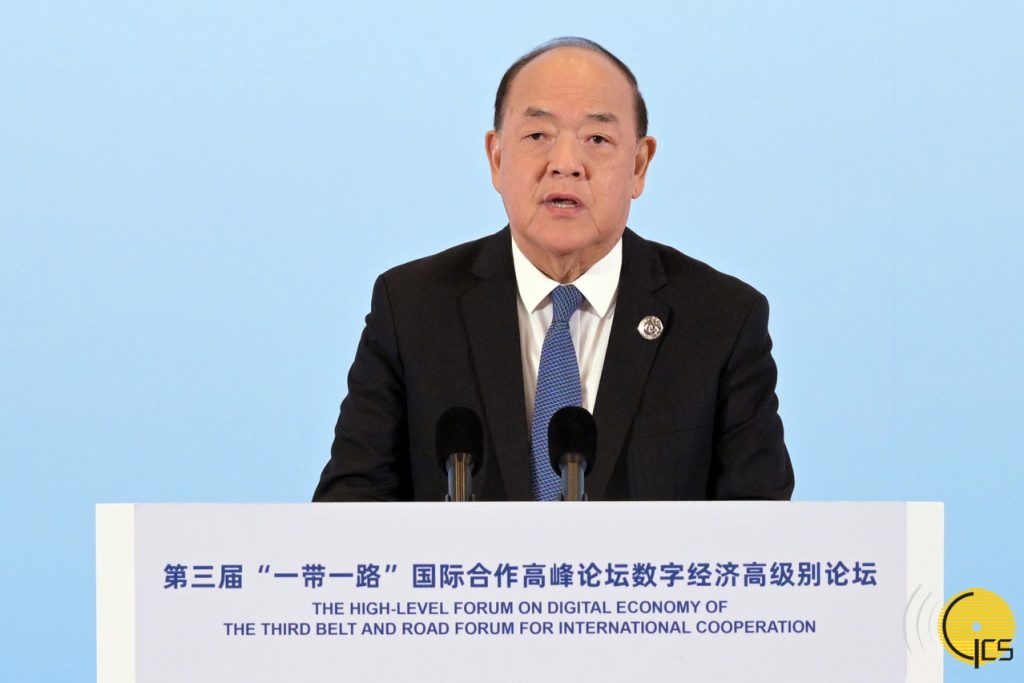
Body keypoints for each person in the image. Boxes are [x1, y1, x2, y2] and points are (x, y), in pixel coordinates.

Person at [313, 37, 794, 502]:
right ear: (496, 157)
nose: (565, 164)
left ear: (639, 165)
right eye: (538, 135)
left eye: (597, 138)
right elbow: (349, 510)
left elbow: (762, 524)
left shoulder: (722, 320)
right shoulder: (412, 309)